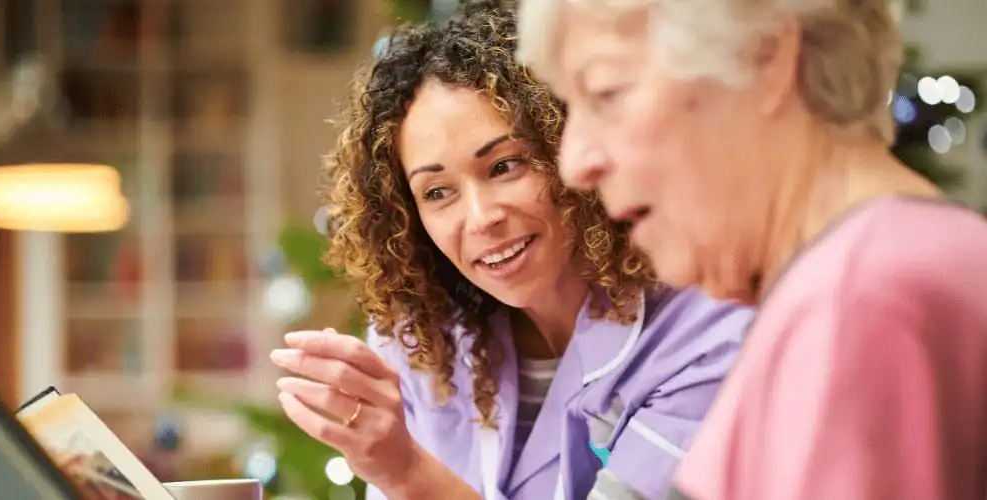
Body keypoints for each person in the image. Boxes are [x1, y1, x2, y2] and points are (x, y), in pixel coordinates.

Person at [268, 2, 754, 499]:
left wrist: (406, 472)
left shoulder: (701, 332)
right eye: (437, 192)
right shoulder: (420, 342)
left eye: (505, 166)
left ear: (567, 147)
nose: (481, 218)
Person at [516, 0, 987, 499]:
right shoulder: (891, 262)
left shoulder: (857, 298)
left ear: (764, 58)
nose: (574, 163)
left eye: (608, 92)